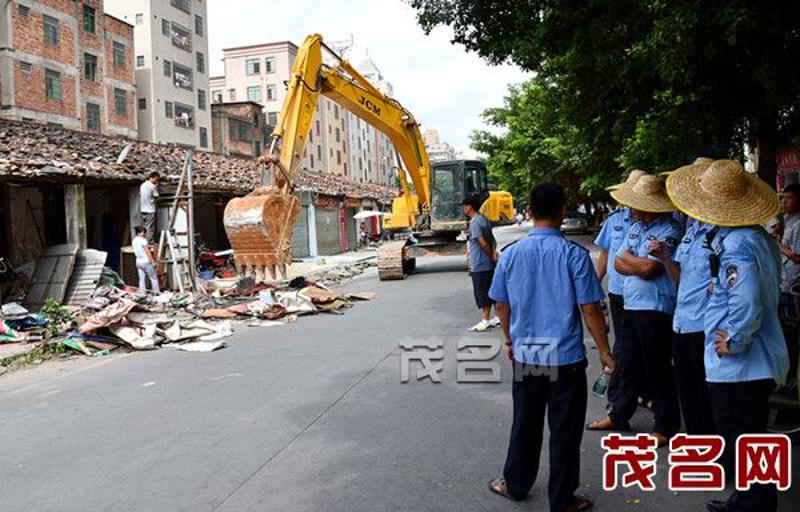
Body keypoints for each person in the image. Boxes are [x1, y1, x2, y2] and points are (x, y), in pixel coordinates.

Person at [666, 159, 789, 512]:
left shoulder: (735, 244)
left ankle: (754, 505)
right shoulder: (756, 237)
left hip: (741, 367)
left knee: (743, 437)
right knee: (748, 439)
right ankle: (745, 500)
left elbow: (746, 299)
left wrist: (734, 340)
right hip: (756, 361)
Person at [486, 182, 616, 512]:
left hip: (529, 357)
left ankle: (515, 485)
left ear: (529, 213)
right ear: (562, 212)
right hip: (567, 359)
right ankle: (562, 499)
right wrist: (604, 350)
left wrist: (509, 340)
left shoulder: (511, 255)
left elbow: (500, 305)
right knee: (565, 432)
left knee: (525, 423)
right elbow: (590, 309)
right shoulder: (574, 256)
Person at [587, 174, 682, 447]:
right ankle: (619, 413)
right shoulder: (635, 228)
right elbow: (618, 262)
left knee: (657, 366)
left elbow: (652, 270)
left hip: (655, 306)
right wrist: (635, 263)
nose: (631, 207)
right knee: (626, 360)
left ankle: (666, 424)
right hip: (630, 303)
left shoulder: (670, 230)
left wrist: (633, 262)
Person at [651, 158, 717, 435]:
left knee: (707, 394)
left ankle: (715, 451)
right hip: (682, 322)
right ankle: (698, 448)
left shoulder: (720, 234)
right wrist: (666, 258)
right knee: (688, 393)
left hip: (705, 326)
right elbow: (682, 280)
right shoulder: (692, 229)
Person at [593, 170, 644, 407]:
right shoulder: (615, 220)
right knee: (623, 344)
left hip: (644, 296)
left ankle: (633, 394)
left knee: (638, 347)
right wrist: (594, 285)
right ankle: (618, 397)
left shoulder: (655, 223)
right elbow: (605, 253)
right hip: (618, 292)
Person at [776, 183, 800, 392]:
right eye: (782, 198)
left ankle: (791, 379)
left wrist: (779, 245)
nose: (784, 202)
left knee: (792, 333)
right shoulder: (787, 220)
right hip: (784, 283)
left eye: (788, 198)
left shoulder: (799, 223)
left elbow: (797, 256)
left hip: (794, 284)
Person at [463, 195, 499, 332]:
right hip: (489, 264)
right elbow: (493, 241)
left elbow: (482, 242)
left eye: (464, 206)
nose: (463, 209)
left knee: (482, 292)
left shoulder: (474, 223)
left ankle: (485, 320)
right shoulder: (485, 220)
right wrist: (494, 253)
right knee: (492, 289)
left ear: (469, 207)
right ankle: (498, 317)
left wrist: (490, 255)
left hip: (480, 264)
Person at [132, 225, 159, 294]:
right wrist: (152, 261)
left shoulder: (134, 241)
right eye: (144, 232)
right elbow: (147, 252)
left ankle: (142, 293)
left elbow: (140, 248)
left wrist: (148, 246)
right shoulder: (143, 240)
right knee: (153, 278)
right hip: (146, 261)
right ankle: (156, 293)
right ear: (141, 232)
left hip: (138, 262)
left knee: (141, 279)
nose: (145, 234)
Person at [139, 172, 160, 243]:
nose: (156, 181)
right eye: (156, 179)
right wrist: (156, 186)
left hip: (143, 209)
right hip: (150, 209)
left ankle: (143, 240)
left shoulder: (142, 185)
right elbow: (157, 196)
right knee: (150, 228)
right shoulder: (152, 186)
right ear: (152, 177)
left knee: (144, 226)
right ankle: (149, 242)